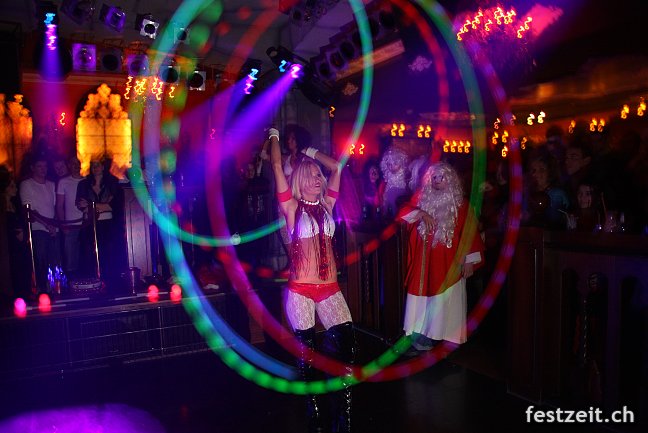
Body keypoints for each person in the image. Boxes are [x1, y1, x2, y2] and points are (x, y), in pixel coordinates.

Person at [269, 127, 355, 433]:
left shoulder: (328, 205)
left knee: (347, 348)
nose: (318, 179)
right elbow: (276, 165)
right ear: (299, 181)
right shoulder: (291, 208)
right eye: (311, 175)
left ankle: (343, 418)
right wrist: (275, 135)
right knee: (306, 357)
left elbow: (338, 167)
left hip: (329, 288)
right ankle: (314, 411)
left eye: (319, 175)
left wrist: (310, 153)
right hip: (301, 291)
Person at [399, 161, 484, 350]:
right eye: (434, 177)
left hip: (450, 265)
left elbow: (470, 232)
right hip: (424, 266)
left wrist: (469, 261)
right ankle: (422, 336)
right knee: (423, 300)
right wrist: (421, 213)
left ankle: (448, 338)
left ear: (451, 180)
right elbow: (402, 212)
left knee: (449, 301)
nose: (437, 180)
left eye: (442, 177)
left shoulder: (461, 205)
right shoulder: (422, 201)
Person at [76, 159, 126, 289]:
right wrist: (102, 205)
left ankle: (110, 285)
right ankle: (92, 285)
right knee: (89, 254)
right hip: (89, 225)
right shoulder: (83, 184)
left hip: (108, 226)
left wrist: (92, 205)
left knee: (108, 255)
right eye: (93, 165)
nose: (95, 167)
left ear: (103, 167)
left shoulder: (112, 184)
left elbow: (113, 206)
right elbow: (81, 205)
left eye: (98, 165)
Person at [19, 155, 60, 292]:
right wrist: (47, 225)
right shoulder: (26, 184)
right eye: (39, 166)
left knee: (55, 261)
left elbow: (54, 207)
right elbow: (29, 210)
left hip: (53, 229)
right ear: (32, 168)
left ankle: (54, 289)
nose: (43, 169)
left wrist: (54, 225)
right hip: (38, 229)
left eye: (45, 166)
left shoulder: (51, 184)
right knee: (41, 261)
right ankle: (41, 290)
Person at [0, 167, 31, 299]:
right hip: (8, 247)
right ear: (5, 189)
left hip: (19, 246)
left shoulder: (15, 204)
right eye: (12, 186)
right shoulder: (2, 207)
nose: (16, 189)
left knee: (22, 268)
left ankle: (23, 295)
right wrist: (15, 233)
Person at [56, 156, 84, 279]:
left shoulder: (87, 180)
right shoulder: (63, 182)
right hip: (71, 225)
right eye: (72, 163)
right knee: (70, 258)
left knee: (84, 255)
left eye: (77, 163)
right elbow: (59, 205)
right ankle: (71, 282)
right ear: (69, 166)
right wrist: (63, 224)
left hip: (85, 224)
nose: (75, 166)